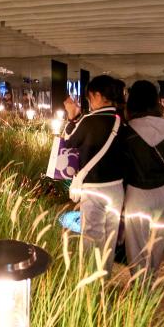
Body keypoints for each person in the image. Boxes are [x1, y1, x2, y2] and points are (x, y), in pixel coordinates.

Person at [63, 75, 124, 273]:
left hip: (94, 189)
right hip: (116, 188)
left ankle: (91, 281)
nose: (90, 102)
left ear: (97, 95)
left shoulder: (89, 121)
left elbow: (68, 141)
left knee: (91, 236)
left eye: (90, 97)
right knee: (110, 236)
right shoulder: (121, 121)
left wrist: (72, 116)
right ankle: (105, 277)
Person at [120, 80, 164, 278]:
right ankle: (151, 279)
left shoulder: (127, 132)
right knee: (158, 239)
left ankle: (140, 287)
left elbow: (124, 167)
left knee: (137, 243)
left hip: (137, 193)